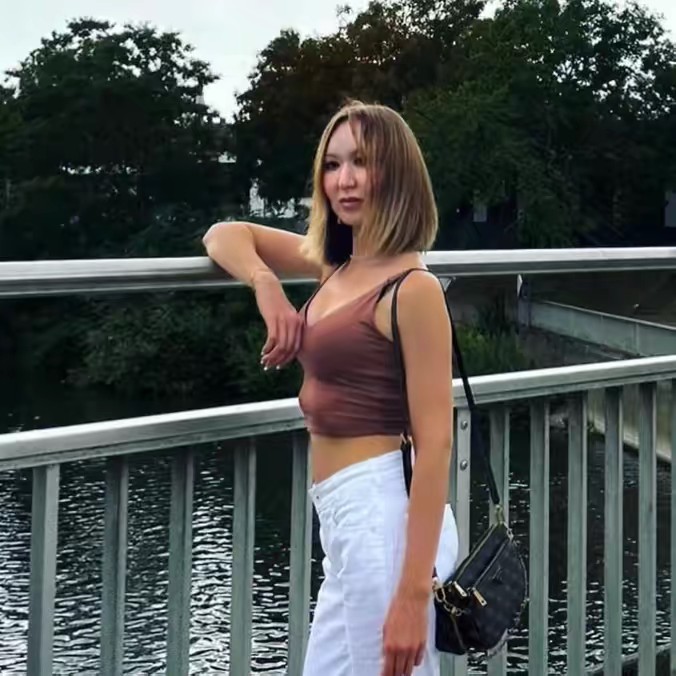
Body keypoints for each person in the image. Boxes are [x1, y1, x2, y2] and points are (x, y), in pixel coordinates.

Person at [203, 101, 459, 676]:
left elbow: (436, 444)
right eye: (333, 164)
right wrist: (266, 284)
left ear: (396, 174)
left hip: (382, 518)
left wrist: (413, 595)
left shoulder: (412, 289)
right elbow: (224, 235)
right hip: (344, 518)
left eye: (362, 163)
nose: (344, 180)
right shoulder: (338, 265)